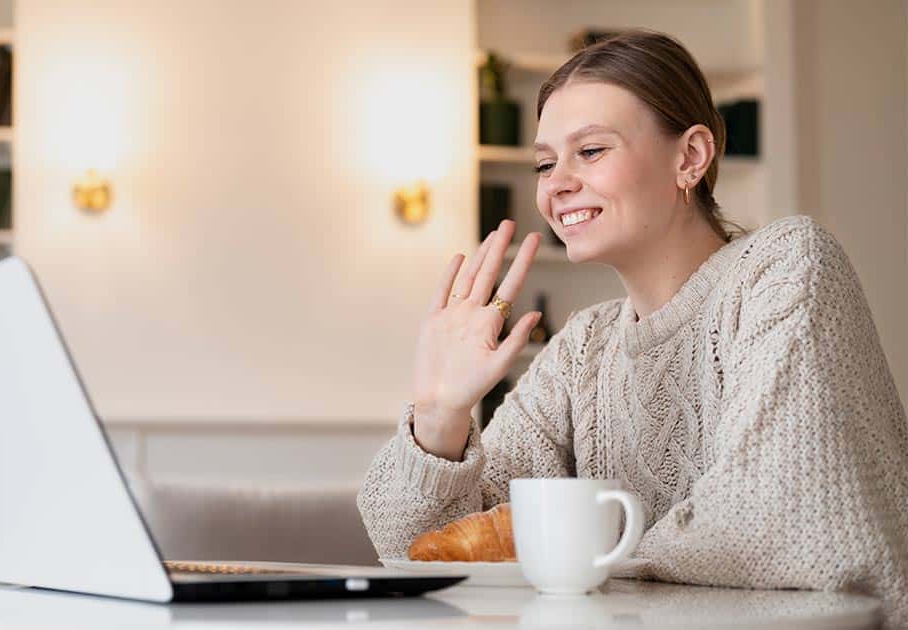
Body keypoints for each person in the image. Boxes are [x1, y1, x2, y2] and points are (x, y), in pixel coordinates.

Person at [356, 29, 908, 627]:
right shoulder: (583, 348)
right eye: (545, 162)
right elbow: (418, 551)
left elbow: (771, 517)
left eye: (590, 152)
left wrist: (579, 567)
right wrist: (440, 414)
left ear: (690, 157)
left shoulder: (787, 266)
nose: (556, 182)